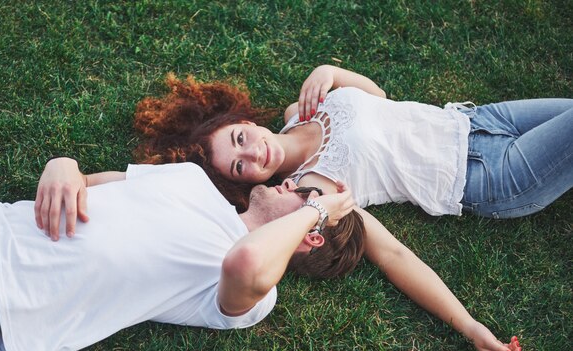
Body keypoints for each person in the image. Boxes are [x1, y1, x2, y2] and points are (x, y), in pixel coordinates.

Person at [0, 158, 362, 351]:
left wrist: (319, 208)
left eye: (304, 194)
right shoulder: (191, 178)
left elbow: (248, 260)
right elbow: (83, 181)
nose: (289, 183)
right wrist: (63, 163)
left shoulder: (257, 293)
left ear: (311, 234)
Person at [134, 65, 572, 217]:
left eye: (240, 138)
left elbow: (378, 98)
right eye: (239, 165)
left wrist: (331, 72)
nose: (252, 152)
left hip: (478, 120)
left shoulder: (296, 113)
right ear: (242, 183)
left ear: (245, 121)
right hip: (488, 178)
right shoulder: (312, 188)